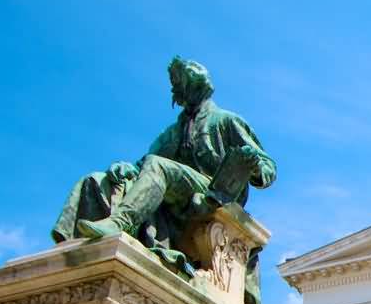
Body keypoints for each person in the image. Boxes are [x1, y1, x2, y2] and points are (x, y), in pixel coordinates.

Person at [57, 57, 277, 285]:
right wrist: (127, 168)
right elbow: (142, 165)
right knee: (96, 180)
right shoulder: (173, 132)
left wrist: (256, 167)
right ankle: (73, 248)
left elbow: (268, 166)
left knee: (157, 165)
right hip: (175, 195)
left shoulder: (226, 120)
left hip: (215, 191)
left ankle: (119, 222)